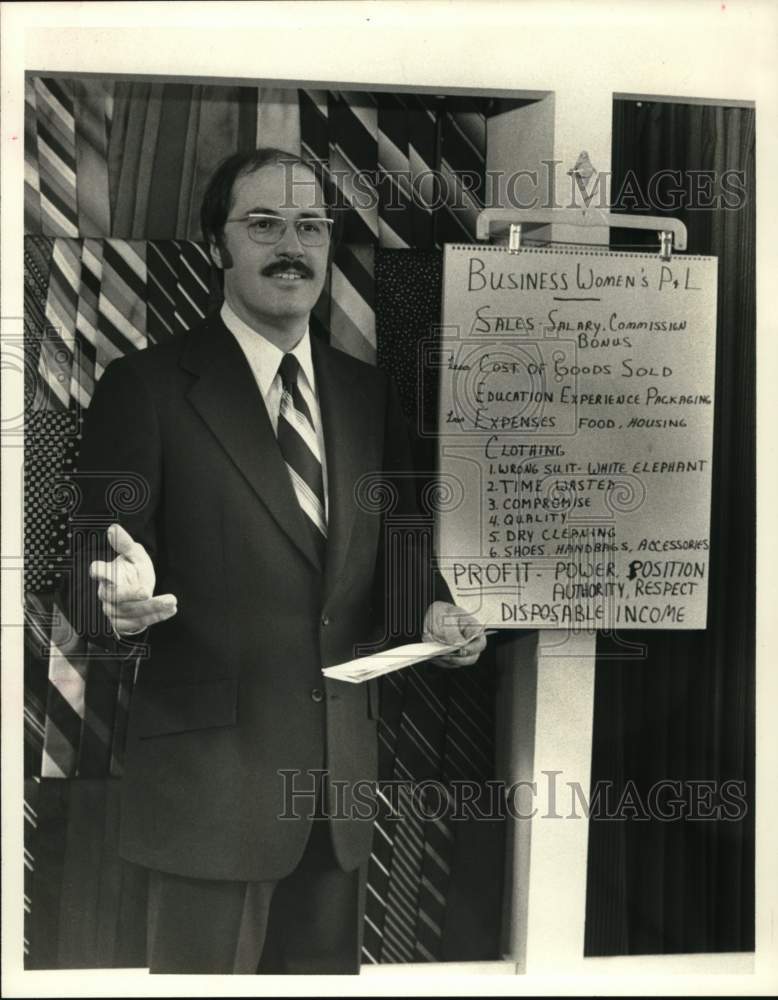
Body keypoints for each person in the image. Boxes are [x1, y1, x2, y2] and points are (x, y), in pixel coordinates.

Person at [67, 147, 486, 974]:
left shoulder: (367, 395)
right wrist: (112, 602)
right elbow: (88, 567)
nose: (291, 247)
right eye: (263, 224)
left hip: (338, 794)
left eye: (310, 227)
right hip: (207, 791)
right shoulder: (146, 387)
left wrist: (432, 611)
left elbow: (398, 551)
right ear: (218, 244)